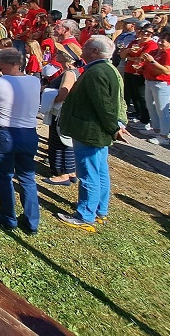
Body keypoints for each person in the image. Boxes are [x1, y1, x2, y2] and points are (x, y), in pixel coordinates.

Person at [57, 36, 130, 232]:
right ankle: (100, 209)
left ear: (96, 52)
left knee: (89, 173)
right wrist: (117, 125)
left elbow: (105, 106)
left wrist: (114, 128)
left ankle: (86, 214)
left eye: (86, 48)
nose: (82, 51)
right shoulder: (109, 69)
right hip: (97, 131)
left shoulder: (96, 72)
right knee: (100, 171)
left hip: (90, 131)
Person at [0, 48, 41, 233]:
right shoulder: (35, 81)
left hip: (5, 132)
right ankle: (32, 220)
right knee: (27, 176)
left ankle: (8, 216)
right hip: (29, 133)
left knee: (4, 176)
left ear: (3, 63)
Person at [43, 44, 82, 186]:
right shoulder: (70, 71)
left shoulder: (69, 73)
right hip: (64, 112)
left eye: (60, 52)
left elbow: (63, 94)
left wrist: (49, 97)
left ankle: (63, 174)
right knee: (64, 141)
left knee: (60, 141)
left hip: (60, 112)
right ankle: (71, 172)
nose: (57, 54)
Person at [141, 27, 170, 145]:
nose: (159, 42)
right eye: (159, 40)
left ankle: (164, 136)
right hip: (150, 81)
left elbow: (167, 71)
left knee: (162, 110)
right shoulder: (155, 52)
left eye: (163, 41)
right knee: (151, 106)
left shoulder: (169, 55)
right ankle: (156, 129)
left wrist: (153, 61)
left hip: (162, 84)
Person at [119, 22, 157, 130]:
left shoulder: (151, 44)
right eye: (144, 31)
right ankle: (138, 115)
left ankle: (146, 120)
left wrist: (129, 56)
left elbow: (142, 59)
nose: (145, 34)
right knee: (132, 95)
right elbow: (122, 55)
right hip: (129, 70)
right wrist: (128, 51)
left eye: (149, 33)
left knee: (141, 96)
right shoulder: (134, 42)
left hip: (140, 72)